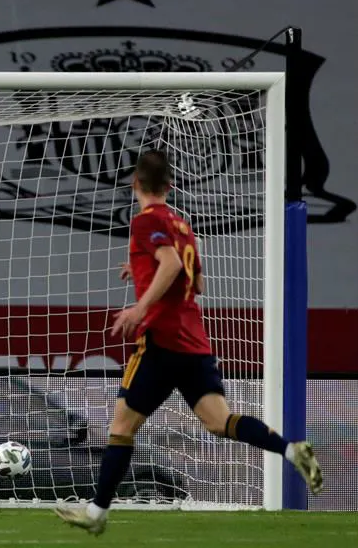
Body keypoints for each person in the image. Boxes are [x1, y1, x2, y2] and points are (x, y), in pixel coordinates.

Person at [55, 150, 323, 535]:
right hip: (193, 343)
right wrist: (141, 269)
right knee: (219, 421)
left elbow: (173, 266)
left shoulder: (145, 222)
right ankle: (290, 449)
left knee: (121, 427)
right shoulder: (181, 224)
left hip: (160, 341)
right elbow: (196, 282)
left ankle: (96, 513)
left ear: (135, 185)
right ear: (169, 186)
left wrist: (138, 307)